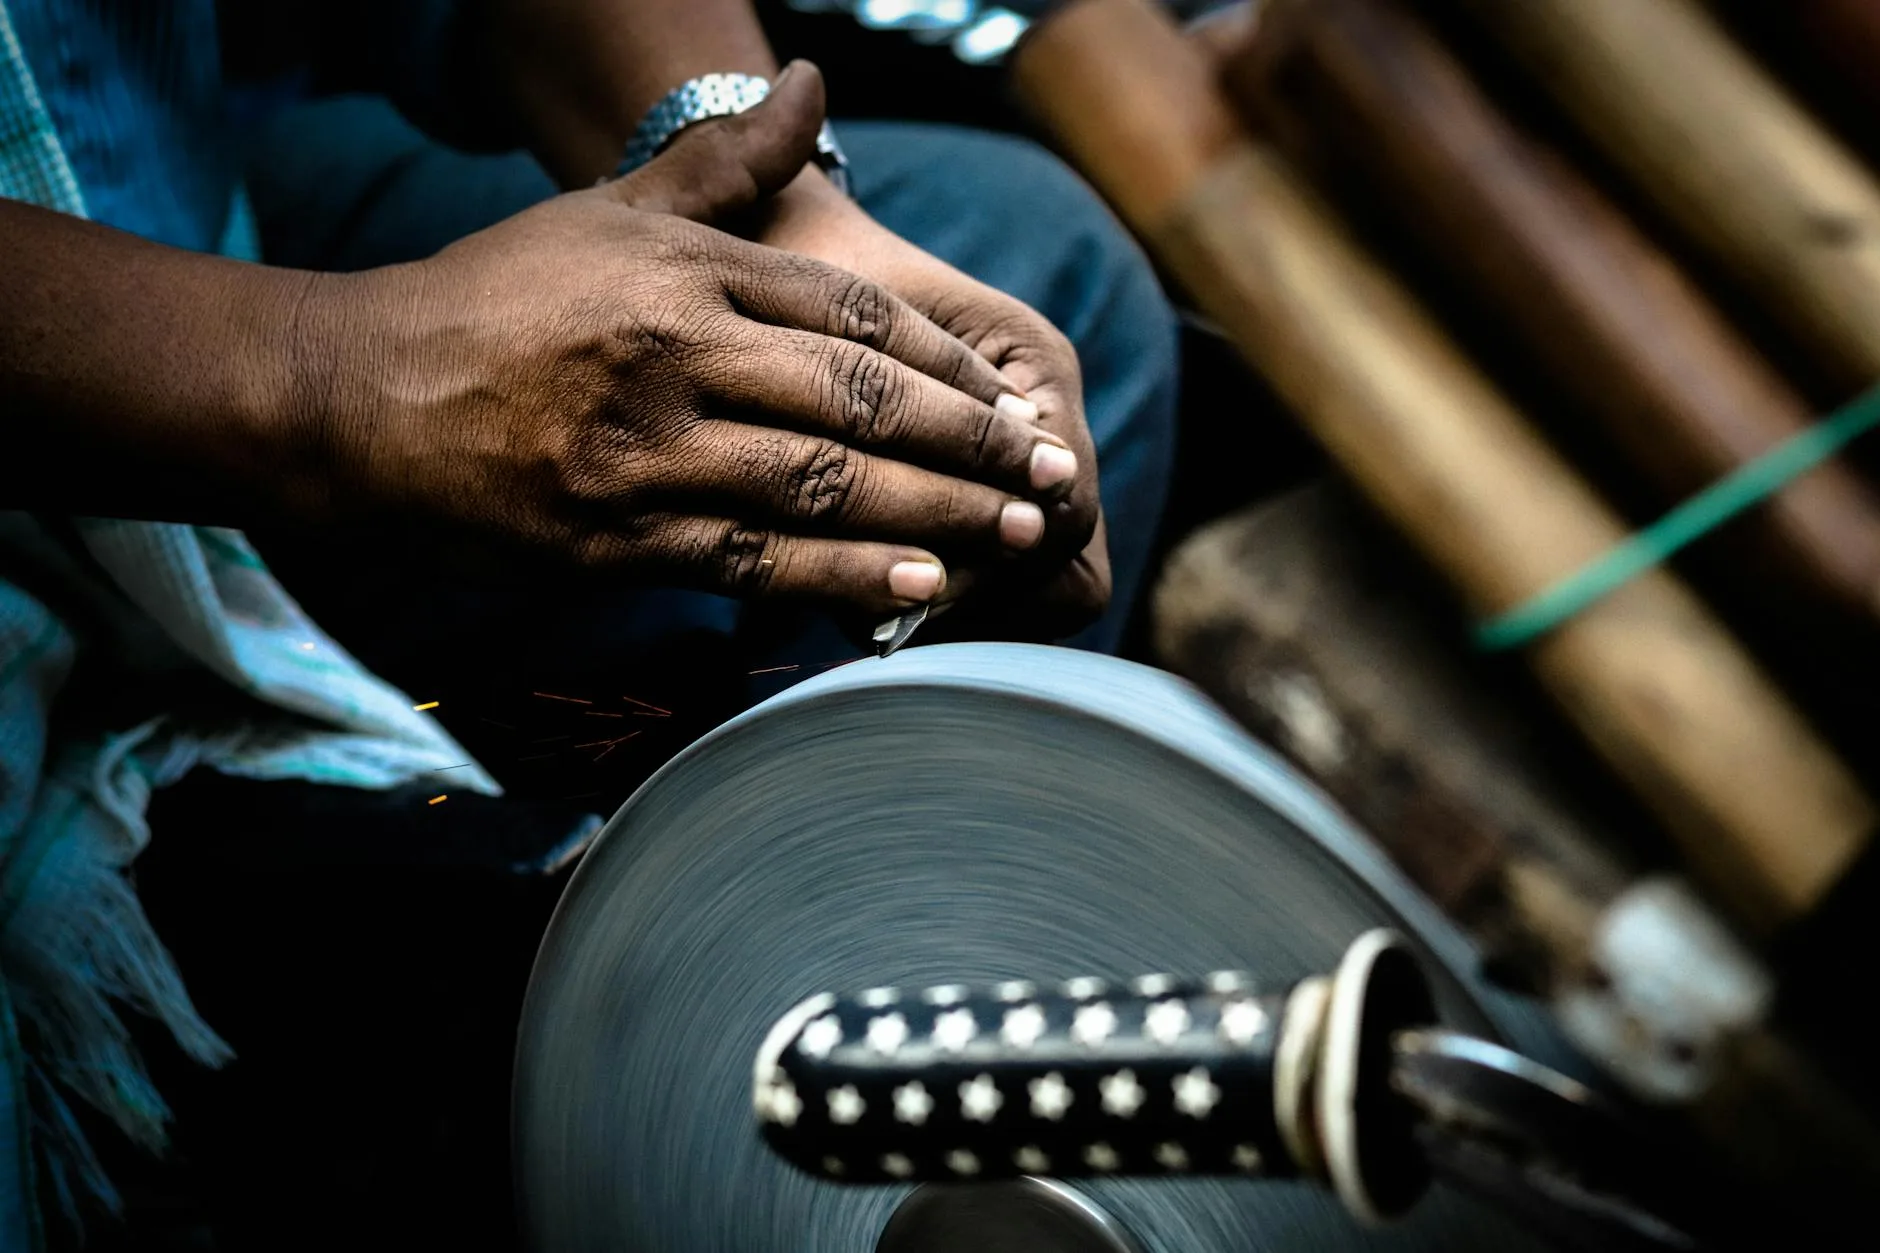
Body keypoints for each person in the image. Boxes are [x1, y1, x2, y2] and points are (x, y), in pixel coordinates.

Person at [0, 0, 1178, 1245]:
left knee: (1027, 271)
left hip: (162, 207)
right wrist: (334, 378)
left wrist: (775, 204)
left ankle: (843, 1051)